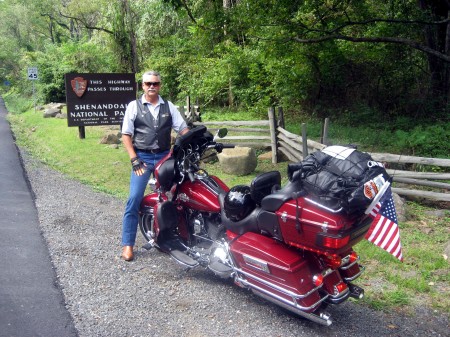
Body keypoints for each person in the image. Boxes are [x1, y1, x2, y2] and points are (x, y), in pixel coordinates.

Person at [120, 70, 189, 261]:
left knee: (179, 195)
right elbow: (126, 135)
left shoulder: (169, 106)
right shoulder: (134, 106)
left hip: (164, 157)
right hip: (142, 158)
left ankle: (180, 238)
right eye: (148, 83)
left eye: (155, 83)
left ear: (160, 85)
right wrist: (134, 159)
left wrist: (191, 139)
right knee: (134, 198)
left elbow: (182, 129)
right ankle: (128, 245)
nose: (152, 86)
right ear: (142, 85)